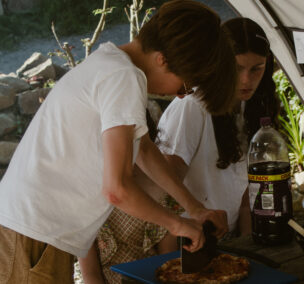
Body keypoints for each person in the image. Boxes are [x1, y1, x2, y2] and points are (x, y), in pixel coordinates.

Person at [0, 1, 237, 283]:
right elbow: (117, 189)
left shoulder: (112, 64)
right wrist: (177, 224)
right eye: (185, 84)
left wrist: (195, 207)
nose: (182, 95)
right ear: (162, 59)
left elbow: (144, 151)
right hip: (32, 235)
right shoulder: (124, 76)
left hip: (35, 233)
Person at [78, 17, 280, 284]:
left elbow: (245, 192)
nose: (246, 79)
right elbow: (163, 182)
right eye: (237, 68)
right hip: (189, 239)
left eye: (257, 69)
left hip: (219, 238)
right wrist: (185, 220)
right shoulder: (191, 105)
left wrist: (247, 243)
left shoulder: (254, 107)